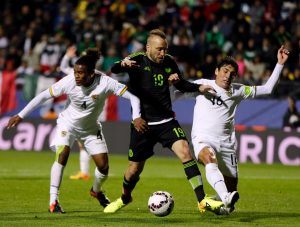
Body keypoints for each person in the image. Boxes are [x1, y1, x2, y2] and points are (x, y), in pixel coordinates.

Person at [6, 48, 147, 213]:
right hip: (67, 125)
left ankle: (96, 190)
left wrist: (136, 117)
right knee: (62, 155)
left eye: (80, 73)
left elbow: (133, 97)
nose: (77, 76)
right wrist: (21, 115)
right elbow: (43, 96)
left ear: (92, 74)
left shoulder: (106, 83)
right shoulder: (69, 81)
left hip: (90, 128)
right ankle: (53, 201)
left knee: (103, 168)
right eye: (75, 72)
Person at [103, 29, 224, 214]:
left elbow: (181, 84)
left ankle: (202, 200)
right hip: (142, 124)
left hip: (166, 120)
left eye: (165, 49)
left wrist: (198, 87)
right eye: (159, 49)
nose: (163, 53)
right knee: (134, 170)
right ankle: (124, 198)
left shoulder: (169, 62)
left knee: (185, 152)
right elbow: (114, 69)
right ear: (148, 47)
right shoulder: (138, 59)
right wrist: (122, 63)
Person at [175, 45, 290, 214]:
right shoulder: (201, 85)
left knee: (230, 197)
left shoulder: (239, 90)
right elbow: (178, 90)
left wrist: (280, 64)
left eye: (232, 73)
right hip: (203, 138)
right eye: (225, 71)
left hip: (227, 144)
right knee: (209, 158)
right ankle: (224, 197)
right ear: (216, 71)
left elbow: (267, 89)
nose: (227, 76)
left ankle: (217, 203)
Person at [60, 46, 92, 180]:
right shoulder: (83, 74)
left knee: (82, 144)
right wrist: (67, 55)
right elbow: (63, 68)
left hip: (83, 113)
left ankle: (85, 173)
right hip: (82, 112)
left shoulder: (92, 75)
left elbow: (63, 67)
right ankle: (84, 172)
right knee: (82, 145)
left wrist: (67, 56)